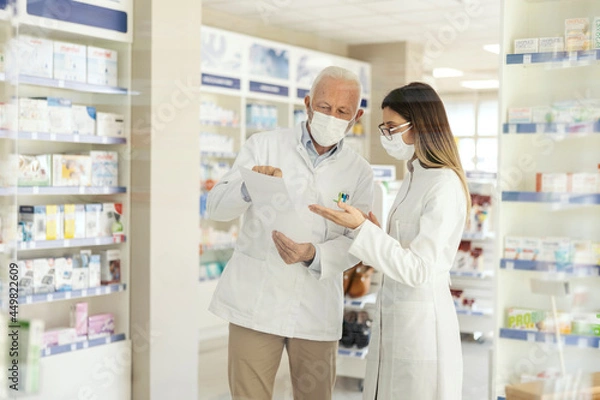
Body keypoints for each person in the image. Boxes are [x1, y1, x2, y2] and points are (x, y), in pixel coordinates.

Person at [206, 66, 374, 400]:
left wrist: (313, 254)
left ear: (357, 115)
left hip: (316, 306)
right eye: (325, 107)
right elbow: (216, 209)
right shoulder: (263, 146)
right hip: (256, 303)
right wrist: (250, 186)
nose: (332, 117)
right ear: (308, 103)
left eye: (342, 111)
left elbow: (358, 242)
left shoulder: (359, 172)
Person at [309, 82, 470, 400]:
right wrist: (369, 232)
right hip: (396, 314)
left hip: (423, 326)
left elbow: (420, 269)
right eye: (384, 128)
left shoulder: (444, 185)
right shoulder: (415, 174)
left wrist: (365, 233)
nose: (387, 137)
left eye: (392, 128)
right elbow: (404, 249)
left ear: (421, 124)